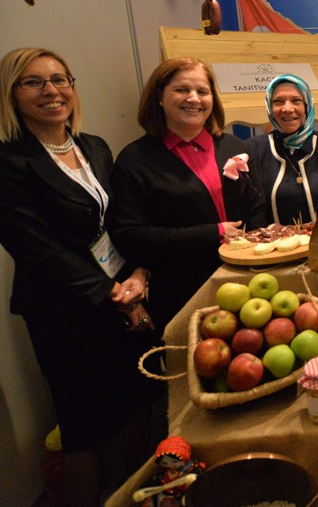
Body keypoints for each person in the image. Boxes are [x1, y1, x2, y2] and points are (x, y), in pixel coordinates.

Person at [0, 48, 162, 507]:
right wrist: (116, 297)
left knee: (137, 405)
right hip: (67, 314)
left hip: (122, 293)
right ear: (10, 94)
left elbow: (117, 222)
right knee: (85, 428)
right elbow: (36, 249)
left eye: (60, 79)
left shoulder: (92, 145)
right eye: (33, 82)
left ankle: (146, 501)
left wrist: (138, 273)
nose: (52, 91)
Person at [110, 58, 269, 326]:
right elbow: (131, 235)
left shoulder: (233, 145)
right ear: (159, 96)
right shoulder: (134, 160)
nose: (194, 99)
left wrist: (254, 253)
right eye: (182, 90)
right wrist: (214, 232)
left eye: (202, 91)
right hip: (181, 291)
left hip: (247, 283)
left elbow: (256, 206)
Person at [247, 74, 318, 224]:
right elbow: (252, 209)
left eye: (296, 101)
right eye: (278, 102)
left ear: (307, 105)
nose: (287, 108)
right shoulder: (254, 150)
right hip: (275, 246)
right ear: (270, 107)